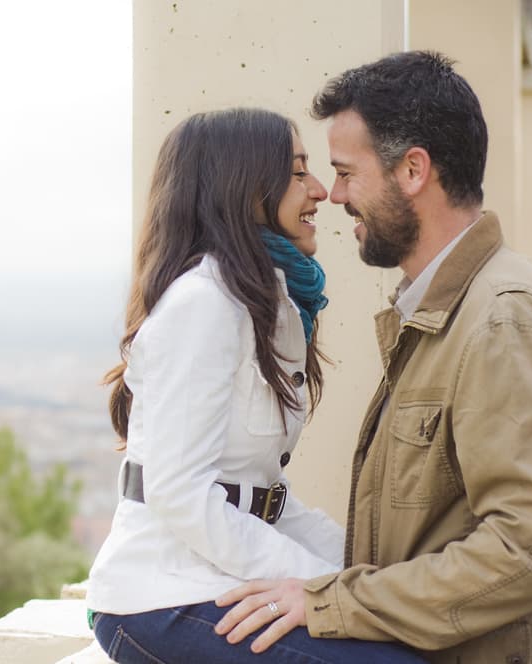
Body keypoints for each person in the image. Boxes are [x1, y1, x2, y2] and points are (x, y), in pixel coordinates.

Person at [214, 51, 532, 664]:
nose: (334, 194)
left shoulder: (503, 315)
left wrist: (333, 604)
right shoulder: (439, 313)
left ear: (412, 170)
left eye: (348, 173)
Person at [85, 107, 426, 663]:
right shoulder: (203, 303)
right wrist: (326, 588)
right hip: (160, 598)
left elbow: (262, 497)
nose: (319, 190)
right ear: (243, 189)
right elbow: (180, 494)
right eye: (296, 173)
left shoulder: (264, 302)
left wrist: (361, 574)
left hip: (216, 579)